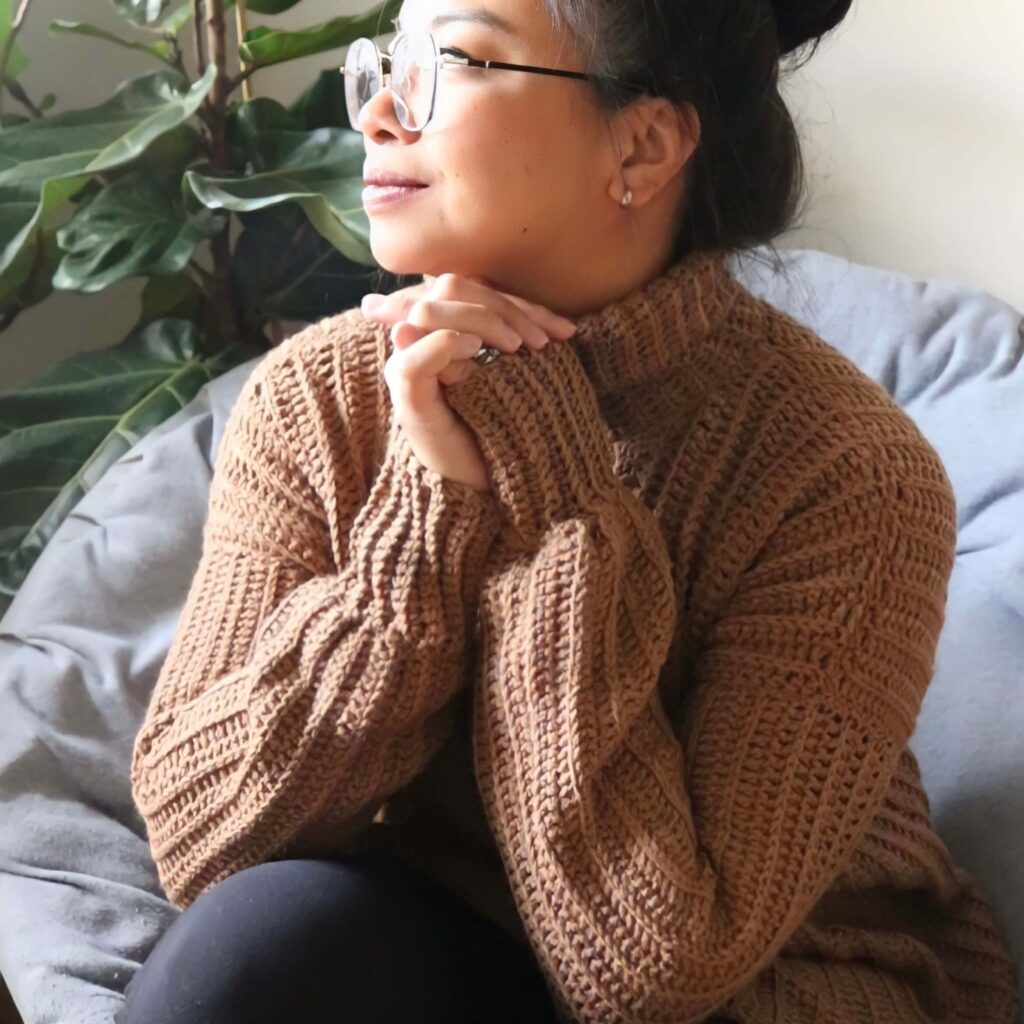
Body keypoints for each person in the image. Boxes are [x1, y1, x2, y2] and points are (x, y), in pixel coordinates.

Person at [120, 0, 1021, 1022]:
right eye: (387, 61)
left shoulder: (846, 471)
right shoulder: (316, 402)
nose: (377, 113)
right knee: (251, 948)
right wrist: (435, 511)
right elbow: (200, 842)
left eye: (452, 60)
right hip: (441, 940)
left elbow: (657, 966)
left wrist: (554, 505)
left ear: (640, 144)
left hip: (760, 987)